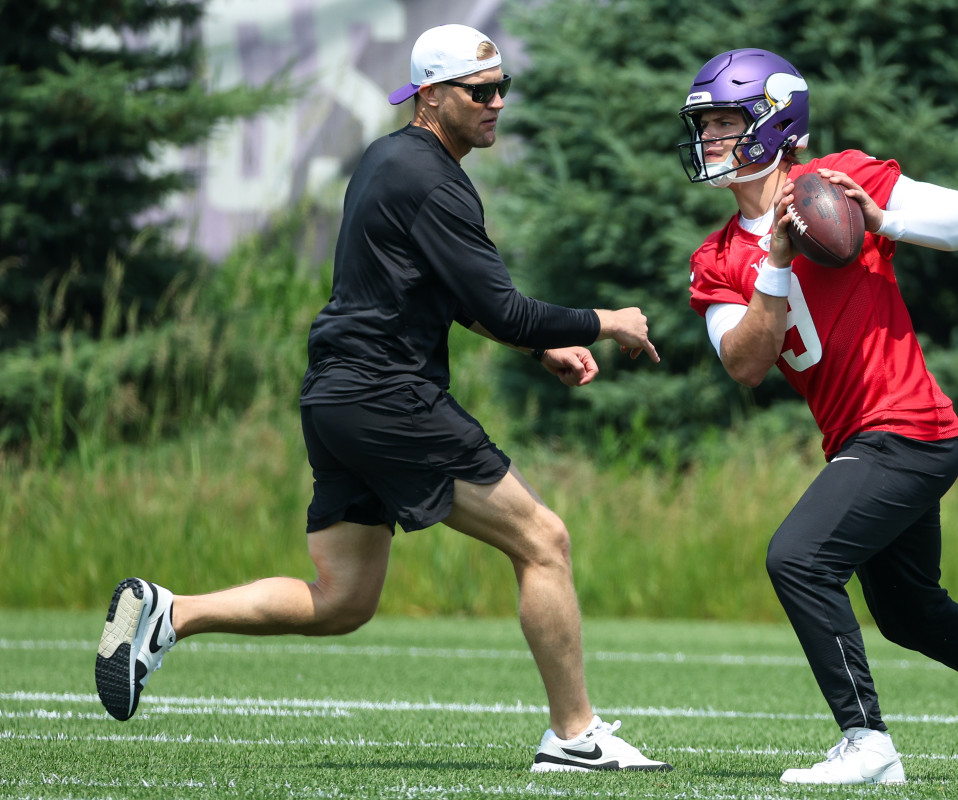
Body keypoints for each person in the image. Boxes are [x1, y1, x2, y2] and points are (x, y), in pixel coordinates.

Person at [94, 23, 671, 775]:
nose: (498, 102)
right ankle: (575, 736)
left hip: (336, 399)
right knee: (544, 541)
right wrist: (606, 322)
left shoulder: (388, 160)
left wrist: (540, 345)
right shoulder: (432, 179)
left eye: (503, 88)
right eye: (480, 91)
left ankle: (171, 613)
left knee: (343, 599)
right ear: (430, 95)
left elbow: (437, 291)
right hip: (385, 395)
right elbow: (502, 307)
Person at [676, 48, 958, 785]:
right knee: (908, 612)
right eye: (704, 126)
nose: (711, 139)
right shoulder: (716, 257)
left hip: (907, 427)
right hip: (861, 439)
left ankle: (867, 743)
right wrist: (775, 259)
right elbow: (746, 364)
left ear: (778, 124)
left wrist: (884, 218)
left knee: (799, 559)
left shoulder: (838, 182)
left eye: (725, 123)